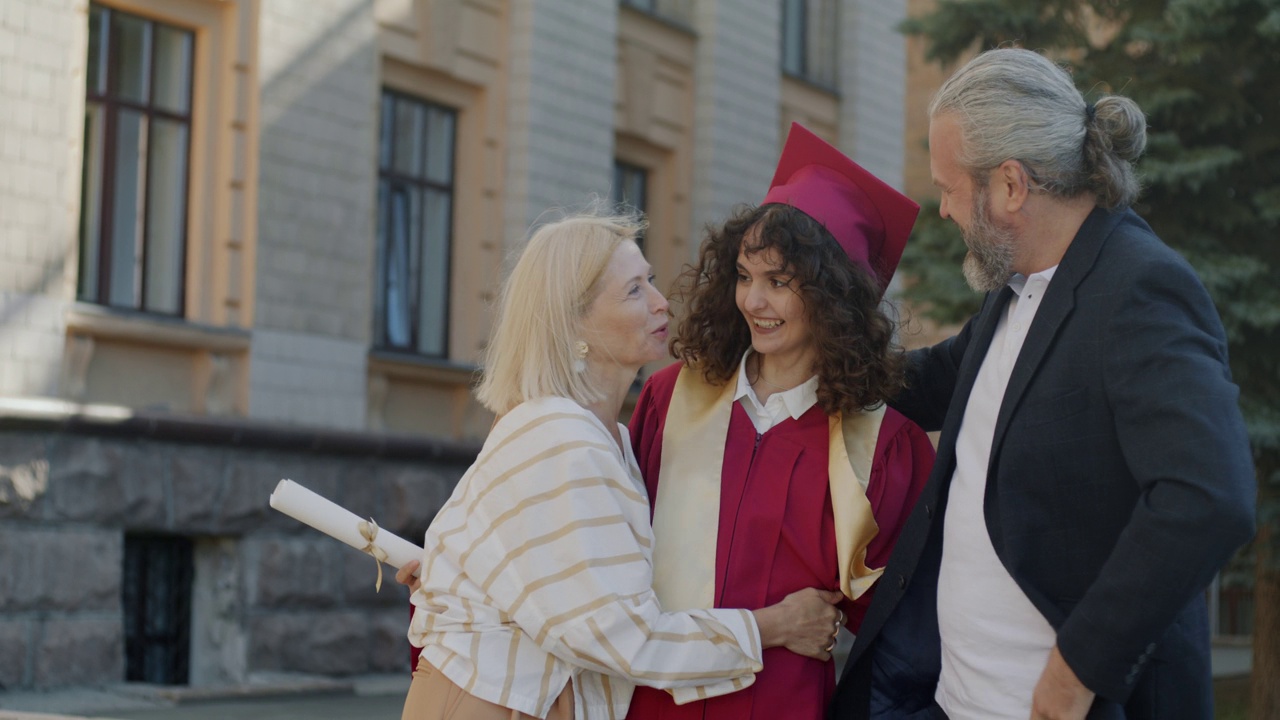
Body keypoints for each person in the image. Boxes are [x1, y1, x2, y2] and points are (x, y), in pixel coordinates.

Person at [830, 48, 1257, 719]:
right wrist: (822, 362)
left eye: (947, 187)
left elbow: (1210, 494)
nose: (941, 209)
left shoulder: (1139, 287)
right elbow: (943, 376)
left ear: (1009, 185)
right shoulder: (1023, 284)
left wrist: (1076, 667)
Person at [398, 211, 846, 720]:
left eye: (651, 280)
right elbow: (627, 640)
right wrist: (775, 625)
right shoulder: (560, 439)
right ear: (575, 321)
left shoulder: (610, 439)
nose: (661, 302)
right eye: (634, 291)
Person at [626, 123, 936, 720]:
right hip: (651, 703)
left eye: (779, 283)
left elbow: (903, 635)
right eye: (744, 277)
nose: (753, 303)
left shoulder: (880, 446)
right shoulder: (672, 403)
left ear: (832, 298)